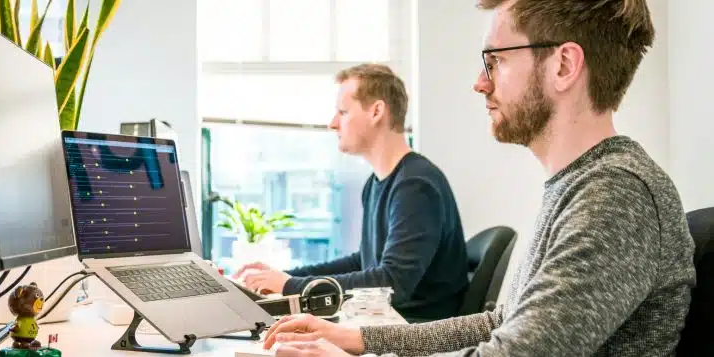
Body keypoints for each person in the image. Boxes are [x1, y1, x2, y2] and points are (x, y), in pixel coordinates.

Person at [260, 0, 697, 356]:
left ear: (563, 65)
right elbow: (503, 322)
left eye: (495, 62)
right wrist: (358, 339)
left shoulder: (615, 195)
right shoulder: (581, 184)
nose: (479, 83)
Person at [233, 63, 471, 322]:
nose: (333, 124)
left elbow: (391, 285)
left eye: (343, 112)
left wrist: (291, 287)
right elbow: (364, 262)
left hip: (413, 334)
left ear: (376, 111)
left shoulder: (416, 186)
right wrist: (286, 277)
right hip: (386, 324)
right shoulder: (378, 183)